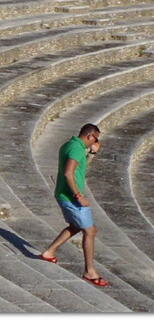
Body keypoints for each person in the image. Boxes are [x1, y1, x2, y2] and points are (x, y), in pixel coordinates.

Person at [40, 123, 108, 287]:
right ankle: (89, 271)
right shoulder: (76, 149)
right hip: (71, 196)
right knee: (90, 230)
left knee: (76, 226)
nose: (96, 142)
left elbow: (80, 169)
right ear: (90, 136)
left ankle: (49, 252)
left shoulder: (70, 145)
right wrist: (79, 196)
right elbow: (68, 173)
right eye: (95, 139)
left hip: (65, 194)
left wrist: (91, 154)